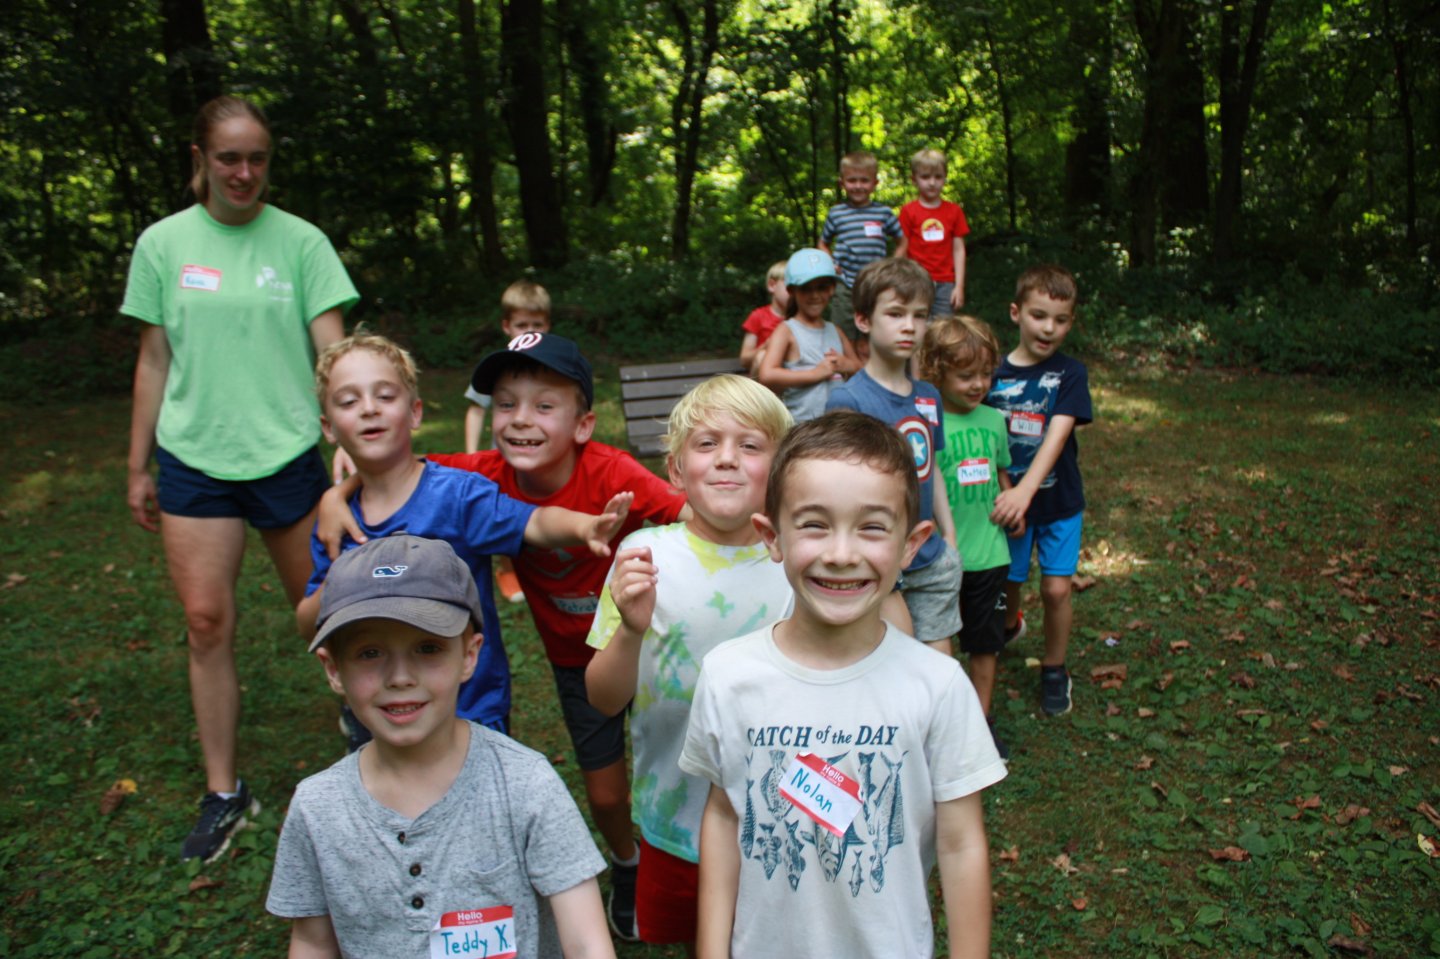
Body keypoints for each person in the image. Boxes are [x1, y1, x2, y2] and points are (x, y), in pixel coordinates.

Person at [122, 94, 360, 862]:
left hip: (289, 454)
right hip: (194, 457)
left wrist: (350, 439)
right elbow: (154, 358)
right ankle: (226, 791)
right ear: (201, 159)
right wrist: (137, 464)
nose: (245, 171)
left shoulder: (301, 242)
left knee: (332, 612)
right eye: (229, 157)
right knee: (205, 622)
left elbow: (337, 357)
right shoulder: (163, 245)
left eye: (257, 156)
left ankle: (373, 742)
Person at [679, 410, 1007, 959]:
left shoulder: (939, 686)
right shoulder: (728, 676)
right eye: (813, 523)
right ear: (771, 535)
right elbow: (723, 811)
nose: (840, 553)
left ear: (911, 543)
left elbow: (961, 842)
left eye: (872, 526)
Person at [396, 331, 687, 942]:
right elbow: (402, 474)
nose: (520, 420)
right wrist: (338, 488)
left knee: (679, 769)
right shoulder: (478, 478)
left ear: (583, 424)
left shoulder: (616, 472)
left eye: (543, 405)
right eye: (506, 403)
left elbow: (688, 514)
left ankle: (688, 865)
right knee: (606, 795)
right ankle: (628, 866)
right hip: (574, 664)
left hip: (654, 649)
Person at [267, 535, 615, 959]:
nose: (399, 677)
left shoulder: (524, 784)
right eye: (370, 652)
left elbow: (587, 944)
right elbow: (312, 941)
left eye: (427, 648)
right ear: (333, 668)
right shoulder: (317, 808)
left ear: (469, 655)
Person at [295, 333, 631, 737]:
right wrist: (347, 575)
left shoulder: (458, 494)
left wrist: (583, 525)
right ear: (329, 428)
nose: (369, 409)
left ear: (415, 412)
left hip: (471, 713)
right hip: (381, 720)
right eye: (349, 401)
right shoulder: (337, 518)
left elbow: (533, 522)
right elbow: (306, 621)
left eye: (385, 396)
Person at [584, 375, 795, 950]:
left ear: (779, 471)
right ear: (676, 471)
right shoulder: (643, 556)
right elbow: (603, 699)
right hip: (673, 815)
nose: (727, 459)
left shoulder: (799, 560)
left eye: (750, 446)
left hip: (781, 819)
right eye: (707, 444)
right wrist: (630, 629)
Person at [826, 258, 961, 657]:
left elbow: (930, 468)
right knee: (898, 658)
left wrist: (949, 534)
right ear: (864, 320)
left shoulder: (928, 396)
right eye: (896, 313)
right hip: (883, 559)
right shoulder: (848, 400)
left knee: (939, 658)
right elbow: (841, 488)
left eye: (920, 316)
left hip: (931, 552)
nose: (909, 326)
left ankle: (944, 722)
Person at [985, 264, 1093, 717]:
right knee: (1008, 581)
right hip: (1008, 501)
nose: (1049, 328)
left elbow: (1057, 435)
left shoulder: (1069, 374)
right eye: (1039, 315)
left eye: (1061, 319)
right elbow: (985, 437)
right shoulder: (989, 373)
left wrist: (1025, 492)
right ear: (1016, 313)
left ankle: (1054, 668)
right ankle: (1010, 624)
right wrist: (1008, 490)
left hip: (1057, 502)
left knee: (1054, 590)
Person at [921, 315, 1023, 760]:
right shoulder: (927, 420)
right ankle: (938, 725)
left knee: (985, 645)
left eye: (986, 373)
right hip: (940, 558)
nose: (979, 383)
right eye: (966, 376)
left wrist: (1011, 502)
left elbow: (1002, 472)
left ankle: (980, 723)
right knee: (937, 648)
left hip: (990, 554)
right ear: (937, 372)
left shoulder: (995, 420)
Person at [464, 280, 552, 605]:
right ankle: (507, 567)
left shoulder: (553, 364)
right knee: (502, 508)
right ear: (506, 326)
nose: (528, 330)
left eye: (537, 324)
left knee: (540, 503)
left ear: (548, 325)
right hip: (503, 457)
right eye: (521, 325)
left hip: (543, 454)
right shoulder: (497, 365)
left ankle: (545, 556)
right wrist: (474, 453)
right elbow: (475, 410)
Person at [756, 248, 861, 422]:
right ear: (792, 291)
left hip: (839, 431)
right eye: (806, 289)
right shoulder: (787, 330)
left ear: (832, 289)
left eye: (822, 288)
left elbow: (860, 370)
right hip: (802, 430)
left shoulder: (836, 331)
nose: (815, 295)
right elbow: (767, 375)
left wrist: (846, 364)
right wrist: (815, 373)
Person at [818, 150, 907, 335]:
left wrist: (891, 265)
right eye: (852, 181)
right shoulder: (836, 213)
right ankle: (844, 363)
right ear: (842, 183)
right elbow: (822, 243)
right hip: (845, 283)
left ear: (875, 183)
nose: (858, 186)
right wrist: (830, 263)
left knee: (875, 329)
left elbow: (902, 242)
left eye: (864, 181)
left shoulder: (883, 213)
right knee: (842, 330)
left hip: (875, 282)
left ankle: (872, 363)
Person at [900, 148, 969, 317]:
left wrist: (959, 286)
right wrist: (897, 278)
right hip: (916, 280)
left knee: (942, 331)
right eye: (925, 177)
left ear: (945, 178)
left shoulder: (954, 211)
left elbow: (959, 250)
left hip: (946, 282)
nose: (932, 183)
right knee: (917, 324)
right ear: (914, 179)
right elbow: (902, 247)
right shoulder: (908, 211)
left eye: (938, 177)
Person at [738, 260, 790, 376]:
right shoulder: (758, 316)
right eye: (789, 286)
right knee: (762, 357)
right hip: (762, 382)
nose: (795, 292)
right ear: (772, 285)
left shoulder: (798, 319)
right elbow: (744, 359)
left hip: (792, 377)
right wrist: (766, 346)